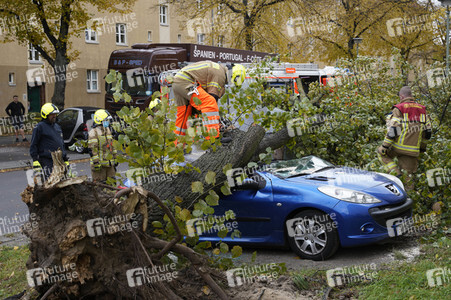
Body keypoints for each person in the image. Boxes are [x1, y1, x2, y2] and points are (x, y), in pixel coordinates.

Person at [172, 61, 246, 142]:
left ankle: (177, 147)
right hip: (186, 81)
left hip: (177, 82)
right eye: (232, 82)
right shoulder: (220, 74)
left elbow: (203, 105)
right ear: (234, 75)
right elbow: (212, 100)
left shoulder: (218, 69)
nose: (230, 84)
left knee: (184, 114)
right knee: (209, 102)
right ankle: (213, 137)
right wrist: (217, 123)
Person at [377, 86, 432, 190]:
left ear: (401, 97)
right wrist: (421, 149)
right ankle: (409, 200)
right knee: (408, 179)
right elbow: (427, 132)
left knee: (381, 153)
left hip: (396, 148)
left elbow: (393, 130)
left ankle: (396, 173)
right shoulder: (423, 110)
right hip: (412, 151)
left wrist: (384, 146)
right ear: (411, 96)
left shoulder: (399, 108)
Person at [30, 103, 69, 180]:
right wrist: (35, 160)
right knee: (51, 182)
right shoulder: (39, 127)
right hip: (47, 161)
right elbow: (34, 144)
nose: (54, 116)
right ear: (45, 115)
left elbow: (61, 143)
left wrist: (65, 158)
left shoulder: (57, 127)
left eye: (55, 114)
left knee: (62, 182)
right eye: (52, 114)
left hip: (59, 160)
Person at [88, 109, 117, 182]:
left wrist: (115, 158)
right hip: (100, 167)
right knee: (100, 188)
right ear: (99, 120)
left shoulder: (107, 130)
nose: (107, 122)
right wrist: (96, 162)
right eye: (105, 120)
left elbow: (112, 146)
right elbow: (93, 150)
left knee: (112, 185)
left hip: (109, 165)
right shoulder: (93, 133)